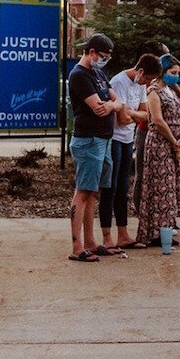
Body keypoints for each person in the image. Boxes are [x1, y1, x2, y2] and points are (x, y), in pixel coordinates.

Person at [67, 33, 118, 262]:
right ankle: (77, 246)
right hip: (89, 139)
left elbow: (117, 100)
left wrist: (113, 105)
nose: (105, 61)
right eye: (103, 56)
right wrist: (111, 105)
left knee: (94, 192)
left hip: (103, 139)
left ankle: (90, 241)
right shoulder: (79, 75)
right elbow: (98, 107)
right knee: (83, 192)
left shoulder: (98, 72)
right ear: (92, 52)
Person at [133, 55, 180, 248]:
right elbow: (158, 120)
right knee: (158, 187)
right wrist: (172, 139)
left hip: (173, 143)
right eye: (173, 73)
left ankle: (166, 228)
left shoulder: (172, 91)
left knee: (169, 187)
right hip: (160, 144)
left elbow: (179, 116)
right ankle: (153, 231)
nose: (176, 76)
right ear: (163, 71)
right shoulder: (153, 91)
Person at [105, 53, 151, 250]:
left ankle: (123, 234)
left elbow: (145, 115)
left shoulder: (140, 84)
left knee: (123, 187)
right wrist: (135, 115)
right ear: (140, 71)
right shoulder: (119, 82)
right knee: (111, 187)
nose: (147, 84)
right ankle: (107, 236)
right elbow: (121, 120)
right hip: (114, 138)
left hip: (127, 140)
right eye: (147, 79)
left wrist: (131, 113)